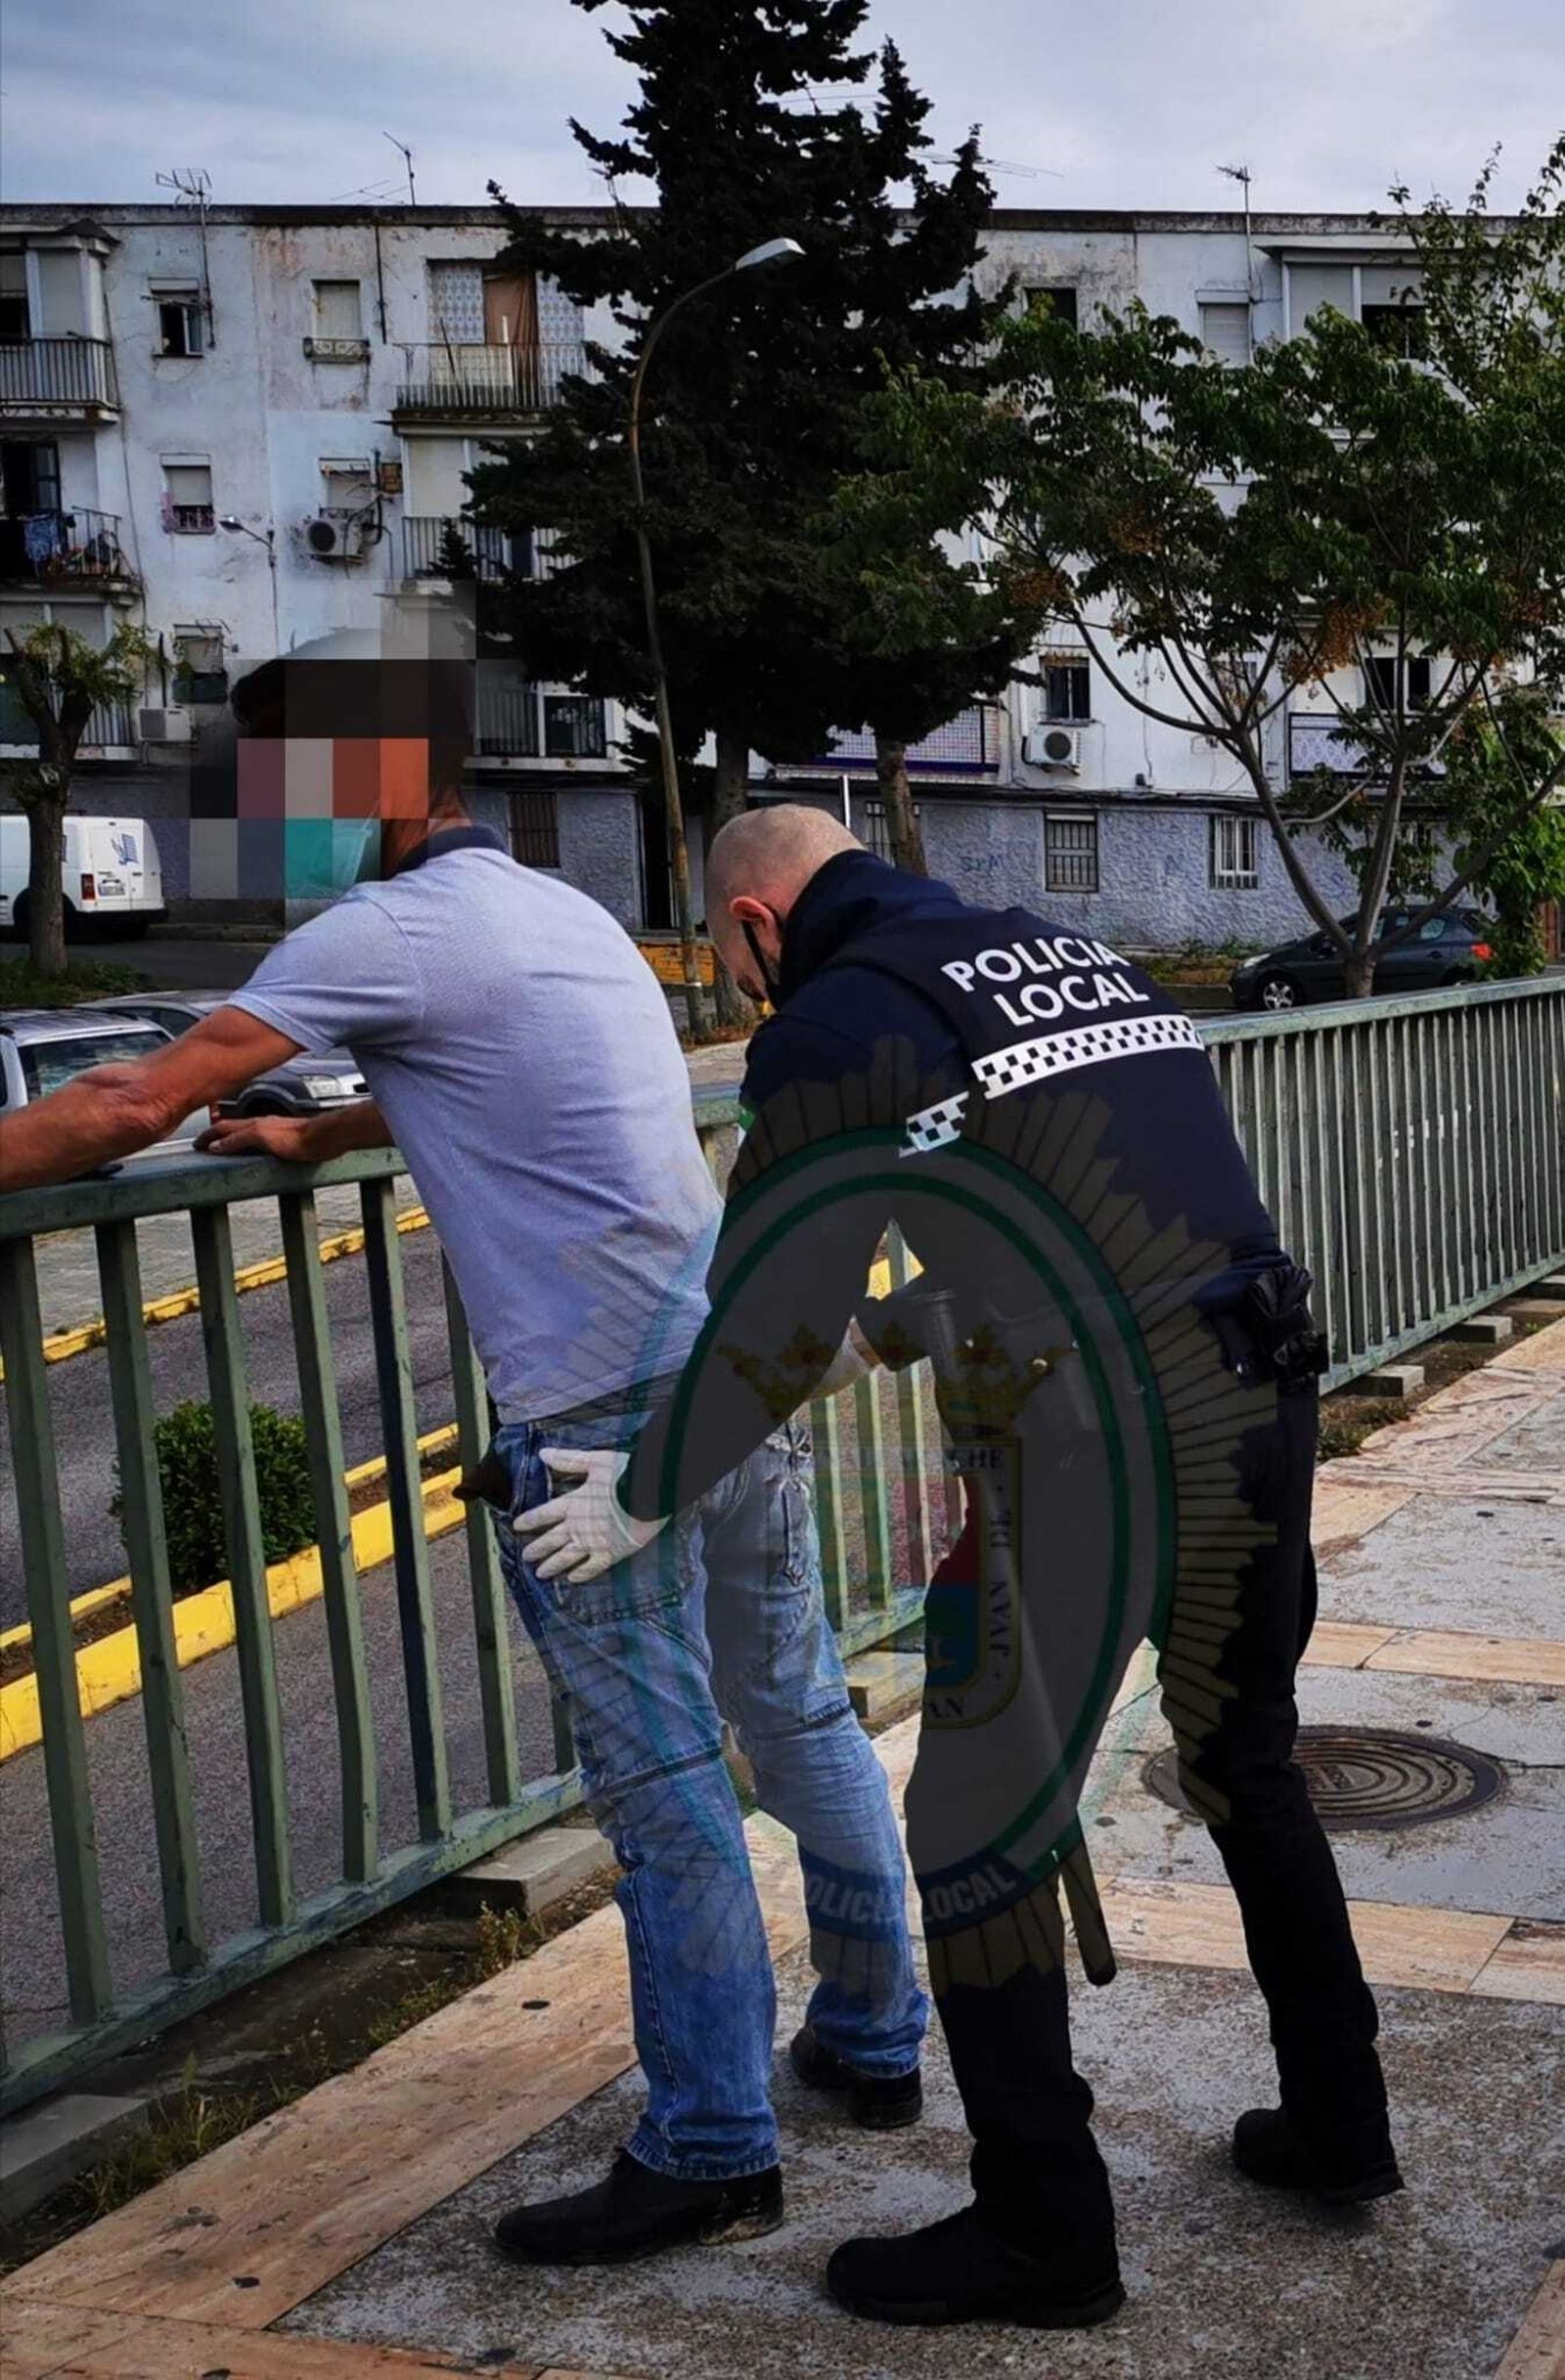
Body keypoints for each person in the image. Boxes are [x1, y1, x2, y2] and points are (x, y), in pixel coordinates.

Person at [0, 669, 926, 2268]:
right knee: (793, 1702)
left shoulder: (377, 933)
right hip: (726, 1362)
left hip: (596, 1411)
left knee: (661, 1778)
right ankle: (875, 2032)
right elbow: (488, 1074)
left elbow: (125, 1099)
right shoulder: (558, 915)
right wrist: (328, 1130)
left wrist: (259, 1115)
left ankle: (711, 2141)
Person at [518, 803, 1400, 2329]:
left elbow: (766, 1311)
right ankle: (1342, 2122)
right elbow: (1082, 1207)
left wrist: (646, 1493)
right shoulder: (1065, 956)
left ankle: (1045, 2234)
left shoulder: (832, 1025)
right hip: (1260, 1382)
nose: (743, 999)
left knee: (976, 1828)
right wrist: (894, 1322)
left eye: (736, 974)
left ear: (754, 929)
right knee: (1250, 1760)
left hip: (1093, 1448)